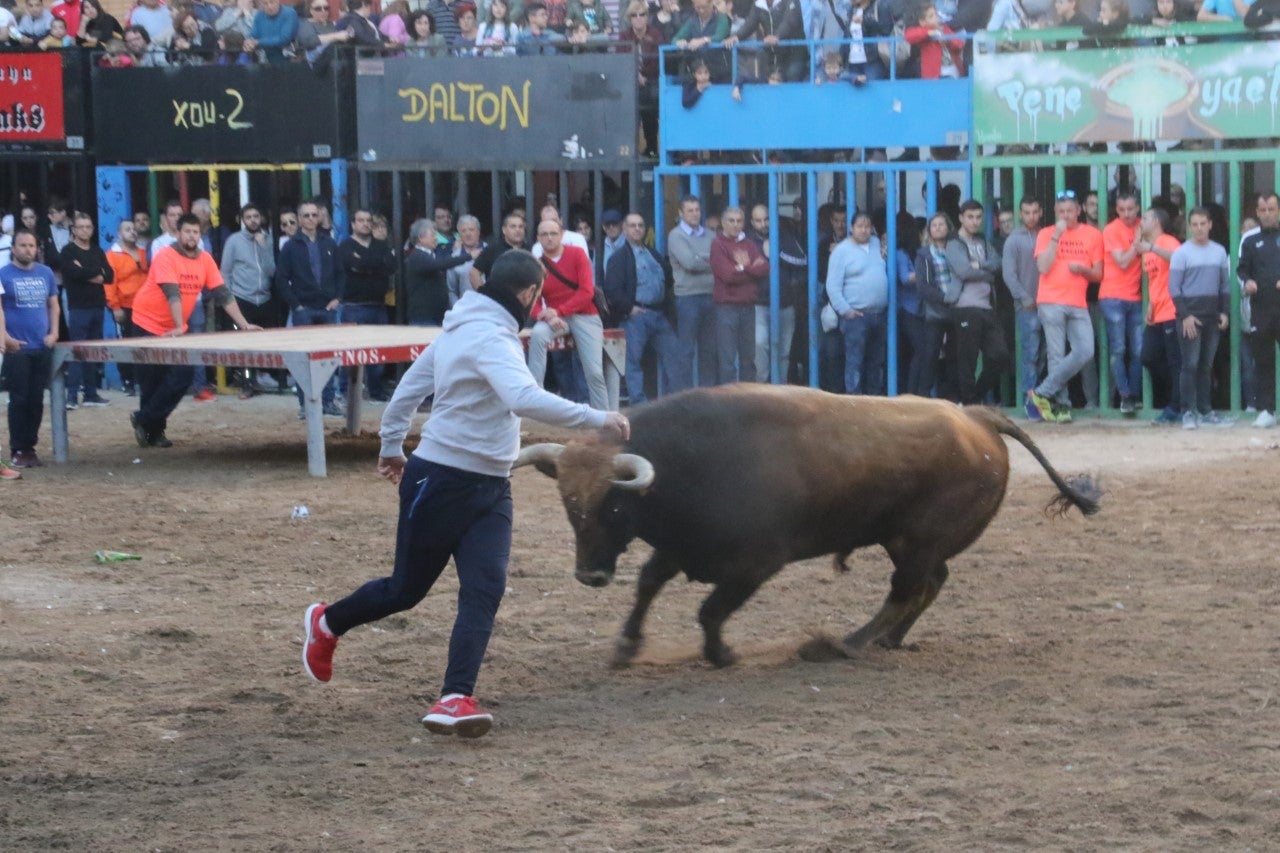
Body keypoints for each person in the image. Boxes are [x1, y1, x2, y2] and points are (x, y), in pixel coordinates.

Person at [301, 250, 630, 738]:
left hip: (493, 485)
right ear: (527, 295)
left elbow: (408, 391)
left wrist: (392, 446)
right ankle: (327, 623)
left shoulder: (462, 327)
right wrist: (598, 416)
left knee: (485, 588)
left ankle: (455, 696)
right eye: (539, 297)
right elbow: (522, 398)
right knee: (405, 591)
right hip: (442, 479)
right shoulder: (488, 336)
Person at [128, 215, 263, 448]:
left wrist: (243, 324)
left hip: (174, 328)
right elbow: (172, 293)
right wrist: (180, 326)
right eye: (187, 231)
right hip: (146, 322)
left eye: (196, 232)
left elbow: (223, 294)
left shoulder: (205, 260)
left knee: (183, 375)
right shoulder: (165, 256)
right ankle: (154, 433)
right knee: (152, 380)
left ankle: (143, 419)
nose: (192, 236)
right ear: (178, 233)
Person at [1026, 189, 1103, 424]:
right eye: (1061, 211)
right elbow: (1043, 267)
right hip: (1050, 300)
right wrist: (1056, 237)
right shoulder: (1046, 234)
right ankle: (1061, 405)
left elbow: (1098, 275)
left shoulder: (1092, 235)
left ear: (1079, 210)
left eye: (1070, 210)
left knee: (1085, 350)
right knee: (1056, 355)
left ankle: (1040, 393)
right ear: (1055, 213)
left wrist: (1083, 270)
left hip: (1078, 302)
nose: (1066, 215)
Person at [527, 219, 609, 409]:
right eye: (544, 234)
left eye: (553, 233)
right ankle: (532, 396)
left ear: (562, 235)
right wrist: (547, 315)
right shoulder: (535, 265)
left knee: (594, 372)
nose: (549, 238)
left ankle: (604, 417)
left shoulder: (578, 254)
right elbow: (531, 301)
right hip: (554, 318)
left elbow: (586, 292)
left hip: (584, 314)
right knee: (538, 335)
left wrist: (559, 311)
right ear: (538, 238)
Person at [276, 200, 344, 418]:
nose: (311, 219)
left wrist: (338, 298)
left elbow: (341, 274)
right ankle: (306, 405)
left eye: (314, 215)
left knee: (329, 357)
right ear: (299, 218)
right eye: (306, 215)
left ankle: (328, 401)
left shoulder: (330, 243)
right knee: (304, 360)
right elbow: (281, 279)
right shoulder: (290, 246)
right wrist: (296, 305)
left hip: (327, 309)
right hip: (304, 310)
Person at [1, 230, 61, 473]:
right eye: (22, 245)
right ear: (13, 248)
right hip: (17, 348)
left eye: (31, 245)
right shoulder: (3, 274)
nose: (27, 249)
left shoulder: (45, 273)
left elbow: (53, 306)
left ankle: (30, 448)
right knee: (19, 400)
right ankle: (17, 449)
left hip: (41, 346)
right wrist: (5, 338)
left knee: (36, 400)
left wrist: (54, 333)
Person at [603, 212, 678, 404]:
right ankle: (639, 405)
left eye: (641, 225)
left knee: (674, 357)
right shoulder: (618, 258)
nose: (637, 229)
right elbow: (611, 289)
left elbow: (668, 280)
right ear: (624, 229)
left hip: (659, 314)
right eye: (633, 225)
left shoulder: (653, 254)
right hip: (635, 317)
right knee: (633, 363)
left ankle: (675, 402)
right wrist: (629, 309)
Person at [1168, 206, 1230, 429]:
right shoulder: (1182, 253)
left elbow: (1224, 286)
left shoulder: (1219, 252)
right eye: (1194, 224)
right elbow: (1174, 289)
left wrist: (1224, 312)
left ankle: (1205, 411)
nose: (1199, 228)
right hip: (1190, 317)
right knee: (1190, 365)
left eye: (1203, 224)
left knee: (1206, 365)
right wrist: (1185, 316)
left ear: (1210, 225)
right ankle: (1187, 412)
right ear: (1189, 226)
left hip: (1212, 316)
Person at [945, 199, 1008, 404]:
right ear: (961, 218)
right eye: (970, 217)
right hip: (965, 307)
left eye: (978, 217)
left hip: (987, 307)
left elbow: (998, 264)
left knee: (1000, 355)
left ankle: (975, 397)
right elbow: (963, 271)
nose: (974, 221)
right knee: (967, 360)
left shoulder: (982, 241)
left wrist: (979, 264)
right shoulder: (954, 243)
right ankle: (970, 404)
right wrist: (986, 274)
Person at [217, 203, 279, 398]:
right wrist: (228, 297)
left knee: (266, 341)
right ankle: (246, 383)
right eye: (249, 217)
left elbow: (272, 271)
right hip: (242, 298)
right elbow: (225, 271)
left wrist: (264, 248)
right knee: (244, 344)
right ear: (242, 220)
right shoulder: (234, 241)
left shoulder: (268, 239)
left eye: (256, 216)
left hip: (265, 298)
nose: (253, 220)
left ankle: (264, 377)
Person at [337, 209, 397, 401]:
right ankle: (346, 390)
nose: (365, 224)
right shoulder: (345, 246)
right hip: (354, 306)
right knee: (350, 351)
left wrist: (366, 263)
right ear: (353, 224)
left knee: (378, 352)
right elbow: (353, 266)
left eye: (368, 221)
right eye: (360, 221)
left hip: (378, 305)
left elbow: (391, 266)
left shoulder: (381, 245)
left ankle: (376, 391)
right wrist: (374, 265)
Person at [826, 212, 889, 395]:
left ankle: (873, 402)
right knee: (855, 361)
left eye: (867, 226)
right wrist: (846, 311)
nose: (864, 230)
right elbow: (832, 285)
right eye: (860, 226)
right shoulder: (841, 251)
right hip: (856, 316)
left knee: (876, 362)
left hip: (878, 314)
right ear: (851, 228)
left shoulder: (877, 244)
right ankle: (854, 403)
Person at [61, 212, 114, 409]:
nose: (85, 230)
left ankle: (91, 394)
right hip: (78, 307)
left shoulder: (98, 251)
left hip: (97, 306)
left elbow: (109, 275)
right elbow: (73, 273)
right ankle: (72, 396)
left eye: (88, 226)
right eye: (81, 227)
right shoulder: (68, 252)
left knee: (92, 352)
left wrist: (86, 273)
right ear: (73, 230)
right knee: (77, 351)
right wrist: (95, 273)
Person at [710, 206, 767, 384]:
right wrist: (750, 269)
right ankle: (728, 404)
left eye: (739, 221)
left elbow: (764, 268)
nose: (736, 225)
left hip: (748, 307)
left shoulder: (749, 244)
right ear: (723, 223)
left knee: (748, 360)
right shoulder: (718, 245)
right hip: (726, 308)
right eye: (731, 221)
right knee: (727, 361)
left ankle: (748, 401)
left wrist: (742, 267)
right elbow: (727, 275)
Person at [1100, 189, 1145, 415]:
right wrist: (1137, 243)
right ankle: (1125, 397)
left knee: (1138, 350)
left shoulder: (1143, 224)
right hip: (1113, 297)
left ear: (1137, 208)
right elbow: (1123, 262)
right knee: (1119, 349)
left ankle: (1134, 394)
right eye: (1121, 210)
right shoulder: (1111, 230)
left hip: (1136, 297)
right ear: (1116, 210)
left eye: (1130, 209)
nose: (1126, 214)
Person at [1239, 192, 1280, 428]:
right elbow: (1241, 270)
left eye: (1271, 209)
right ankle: (1266, 410)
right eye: (1262, 210)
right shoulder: (1250, 239)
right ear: (1257, 212)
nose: (1267, 214)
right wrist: (1247, 283)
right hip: (1261, 309)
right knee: (1263, 361)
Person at [667, 195, 717, 390]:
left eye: (697, 209)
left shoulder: (711, 235)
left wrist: (701, 259)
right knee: (686, 351)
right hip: (687, 298)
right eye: (690, 210)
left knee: (709, 350)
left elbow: (718, 260)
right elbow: (689, 262)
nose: (695, 214)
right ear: (681, 213)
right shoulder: (676, 235)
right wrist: (708, 259)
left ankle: (707, 396)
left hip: (711, 296)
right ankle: (685, 397)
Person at [1139, 206, 1182, 425]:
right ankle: (1175, 399)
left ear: (1155, 221)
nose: (1140, 221)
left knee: (1175, 362)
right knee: (1148, 356)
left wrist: (1153, 247)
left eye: (1144, 218)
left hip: (1173, 310)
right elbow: (1155, 281)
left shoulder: (1166, 241)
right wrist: (1150, 305)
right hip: (1158, 311)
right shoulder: (1149, 248)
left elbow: (1178, 258)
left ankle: (1176, 406)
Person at [1002, 195, 1044, 401]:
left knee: (1046, 354)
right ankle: (1029, 396)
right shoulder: (1013, 240)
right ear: (1020, 214)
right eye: (1027, 212)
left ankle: (1039, 395)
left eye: (1035, 212)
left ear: (1041, 213)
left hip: (1047, 304)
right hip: (1027, 307)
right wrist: (1024, 298)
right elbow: (1009, 275)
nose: (1031, 216)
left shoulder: (1045, 235)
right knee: (1031, 353)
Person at [105, 219, 149, 396]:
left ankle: (142, 380)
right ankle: (128, 380)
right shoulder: (112, 255)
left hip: (144, 306)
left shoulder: (144, 252)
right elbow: (109, 283)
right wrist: (115, 307)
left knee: (144, 343)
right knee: (125, 343)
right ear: (119, 234)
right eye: (127, 229)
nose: (132, 232)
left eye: (133, 229)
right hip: (123, 305)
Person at [405, 218, 471, 326]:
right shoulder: (418, 256)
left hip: (435, 315)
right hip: (423, 316)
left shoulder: (430, 254)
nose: (436, 239)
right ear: (421, 238)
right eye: (433, 235)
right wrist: (468, 256)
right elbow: (439, 264)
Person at [469, 211, 527, 289]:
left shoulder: (529, 250)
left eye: (521, 227)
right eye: (513, 226)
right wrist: (484, 294)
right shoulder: (492, 250)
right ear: (504, 230)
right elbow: (474, 273)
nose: (518, 230)